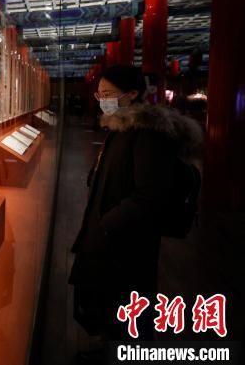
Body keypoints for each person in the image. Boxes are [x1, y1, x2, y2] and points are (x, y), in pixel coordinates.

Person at [69, 65, 203, 352]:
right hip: (112, 234)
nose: (102, 100)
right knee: (111, 303)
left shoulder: (148, 133)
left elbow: (150, 195)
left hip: (128, 240)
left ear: (131, 94)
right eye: (99, 94)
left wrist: (108, 224)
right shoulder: (121, 126)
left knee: (131, 307)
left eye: (108, 93)